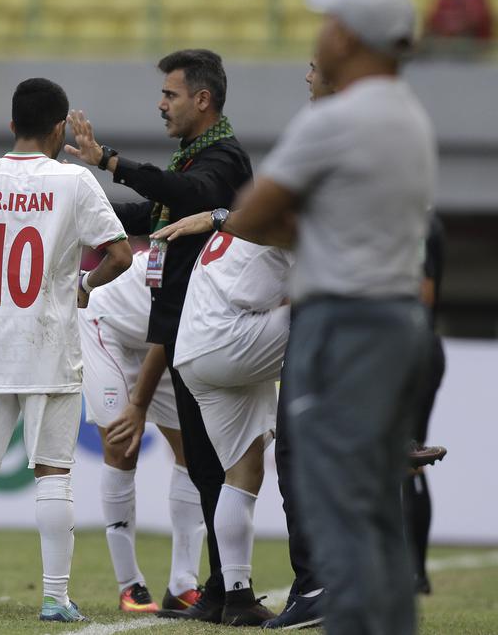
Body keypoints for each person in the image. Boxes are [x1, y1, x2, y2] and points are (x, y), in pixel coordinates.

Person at [152, 0, 437, 635]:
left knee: (325, 484)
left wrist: (278, 224)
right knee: (366, 493)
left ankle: (325, 601)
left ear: (349, 38)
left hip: (340, 317)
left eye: (328, 25)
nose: (320, 38)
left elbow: (254, 215)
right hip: (395, 318)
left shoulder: (333, 119)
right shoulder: (410, 118)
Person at [0, 77, 133, 623]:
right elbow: (119, 255)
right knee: (53, 471)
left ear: (12, 124)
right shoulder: (73, 182)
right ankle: (53, 596)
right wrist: (81, 288)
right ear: (60, 127)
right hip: (50, 343)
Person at [68, 49, 255, 623]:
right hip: (140, 326)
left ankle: (216, 587)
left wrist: (109, 161)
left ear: (202, 99)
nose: (160, 103)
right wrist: (76, 209)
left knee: (209, 463)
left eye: (170, 94)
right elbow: (155, 206)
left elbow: (191, 195)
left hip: (188, 333)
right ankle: (184, 588)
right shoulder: (200, 156)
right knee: (194, 462)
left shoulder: (221, 161)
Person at [78, 248, 205, 613]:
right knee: (121, 447)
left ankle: (183, 584)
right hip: (107, 324)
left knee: (190, 453)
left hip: (158, 339)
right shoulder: (184, 262)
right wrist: (137, 406)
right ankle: (129, 585)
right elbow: (167, 336)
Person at [173, 233, 292, 626]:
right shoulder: (295, 207)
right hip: (229, 341)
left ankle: (237, 596)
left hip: (194, 351)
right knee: (339, 310)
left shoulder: (251, 212)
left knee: (242, 473)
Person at [262, 59, 335, 630]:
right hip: (356, 314)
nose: (305, 74)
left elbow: (282, 218)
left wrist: (224, 218)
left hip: (326, 314)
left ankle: (317, 585)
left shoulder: (330, 135)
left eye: (313, 67)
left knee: (297, 453)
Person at [404, 212, 447, 595]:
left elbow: (423, 289)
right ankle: (412, 571)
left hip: (410, 350)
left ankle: (414, 572)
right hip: (416, 347)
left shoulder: (415, 222)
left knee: (408, 459)